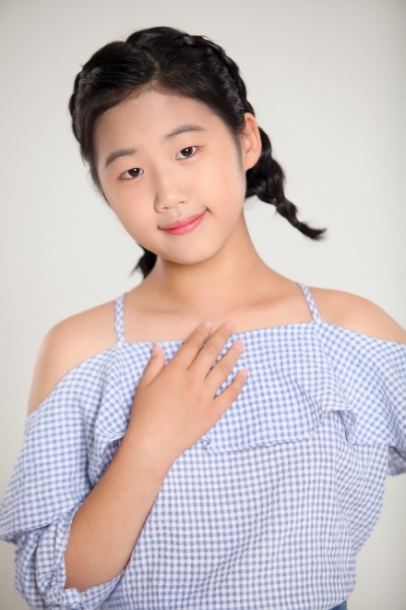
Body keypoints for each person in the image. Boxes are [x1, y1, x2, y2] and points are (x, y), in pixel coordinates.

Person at [0, 26, 405, 610]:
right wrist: (146, 446)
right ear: (104, 189)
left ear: (246, 139)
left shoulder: (352, 333)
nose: (167, 194)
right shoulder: (80, 351)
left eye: (187, 151)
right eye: (130, 172)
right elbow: (50, 588)